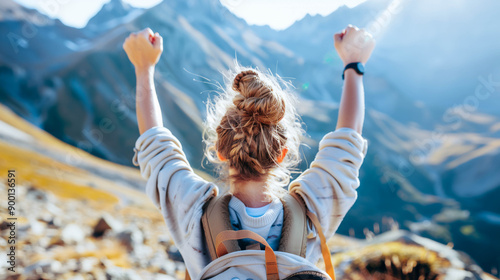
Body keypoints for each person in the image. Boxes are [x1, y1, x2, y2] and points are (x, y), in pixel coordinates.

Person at [124, 24, 375, 278]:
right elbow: (348, 141)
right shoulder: (310, 212)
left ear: (220, 151)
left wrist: (144, 68)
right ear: (281, 155)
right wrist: (354, 64)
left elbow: (155, 144)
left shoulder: (193, 211)